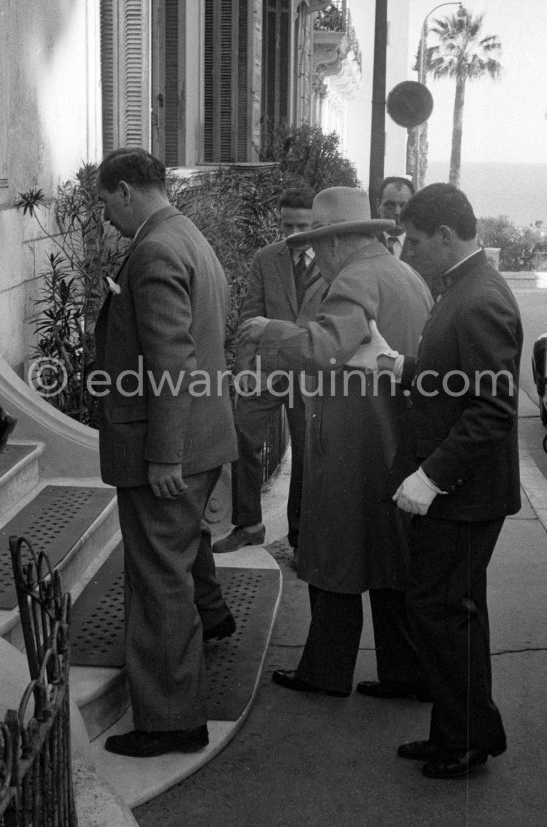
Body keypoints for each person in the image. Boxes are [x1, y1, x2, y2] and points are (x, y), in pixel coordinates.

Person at [354, 183, 522, 779]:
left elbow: (493, 410)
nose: (409, 254)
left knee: (445, 613)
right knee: (447, 611)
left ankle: (468, 739)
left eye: (417, 242)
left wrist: (430, 477)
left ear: (447, 237)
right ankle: (458, 730)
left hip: (463, 498)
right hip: (460, 496)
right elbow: (457, 378)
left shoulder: (478, 298)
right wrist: (402, 367)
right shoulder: (464, 287)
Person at [237, 186, 433, 697]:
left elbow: (322, 348)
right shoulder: (404, 274)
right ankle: (404, 672)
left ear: (340, 243)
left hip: (352, 440)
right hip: (395, 440)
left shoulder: (355, 279)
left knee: (332, 555)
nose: (313, 255)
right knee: (390, 563)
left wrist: (267, 331)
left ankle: (325, 671)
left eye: (318, 245)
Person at [93, 148, 238, 758]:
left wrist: (163, 456)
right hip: (203, 435)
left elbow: (171, 362)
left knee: (157, 581)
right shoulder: (187, 236)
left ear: (126, 191)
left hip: (173, 445)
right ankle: (209, 630)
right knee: (177, 564)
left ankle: (171, 722)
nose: (107, 218)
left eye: (106, 204)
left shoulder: (154, 249)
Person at [212, 188, 326, 561]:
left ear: (316, 224)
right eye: (287, 224)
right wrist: (243, 371)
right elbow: (250, 316)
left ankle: (302, 539)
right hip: (267, 369)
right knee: (242, 436)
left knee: (309, 454)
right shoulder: (266, 258)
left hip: (311, 371)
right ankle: (249, 526)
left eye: (303, 225)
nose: (294, 233)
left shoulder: (333, 260)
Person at [376, 176, 415, 259]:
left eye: (404, 206)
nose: (397, 212)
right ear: (378, 206)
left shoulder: (420, 246)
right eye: (390, 206)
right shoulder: (368, 243)